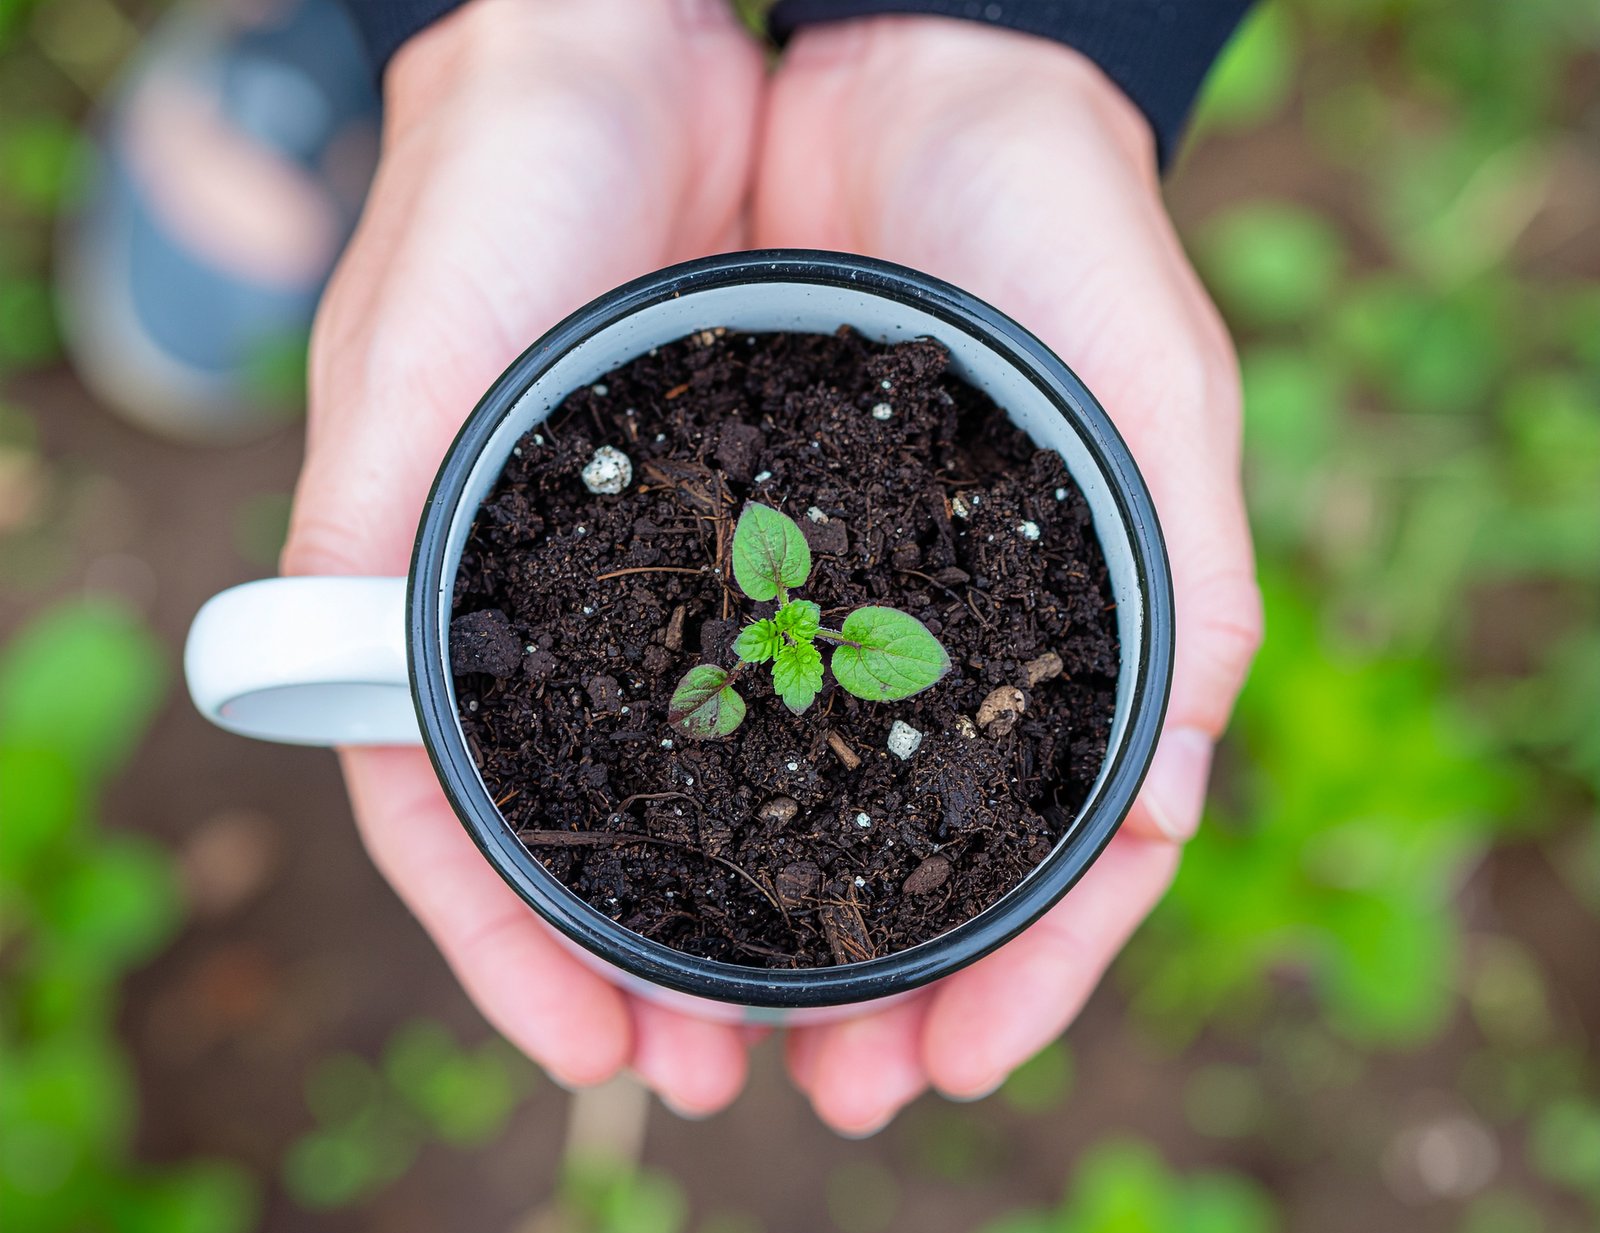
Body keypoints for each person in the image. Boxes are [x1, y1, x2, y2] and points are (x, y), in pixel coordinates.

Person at [76, 0, 1264, 1135]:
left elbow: (806, 641)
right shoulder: (765, 617)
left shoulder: (797, 631)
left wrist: (1016, 48)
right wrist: (514, 39)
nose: (784, 644)